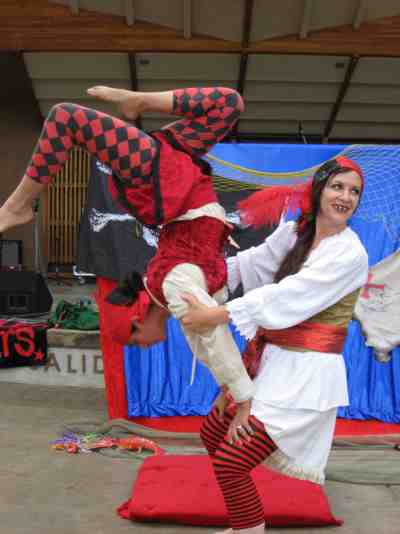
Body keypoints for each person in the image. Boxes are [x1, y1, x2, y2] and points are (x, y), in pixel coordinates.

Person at [0, 85, 254, 426]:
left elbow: (210, 339)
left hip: (165, 173)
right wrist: (234, 391)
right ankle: (140, 101)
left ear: (136, 320)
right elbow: (208, 339)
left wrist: (241, 395)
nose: (143, 346)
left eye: (134, 339)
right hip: (176, 176)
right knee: (230, 104)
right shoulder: (177, 292)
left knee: (65, 117)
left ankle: (16, 207)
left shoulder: (168, 282)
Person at [181, 156, 369, 534]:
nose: (345, 197)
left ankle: (249, 528)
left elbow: (289, 295)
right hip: (272, 362)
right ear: (318, 189)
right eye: (338, 186)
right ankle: (243, 521)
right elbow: (255, 264)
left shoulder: (351, 253)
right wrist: (198, 275)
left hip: (305, 375)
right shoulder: (295, 231)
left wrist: (214, 315)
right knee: (213, 434)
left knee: (232, 460)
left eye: (354, 191)